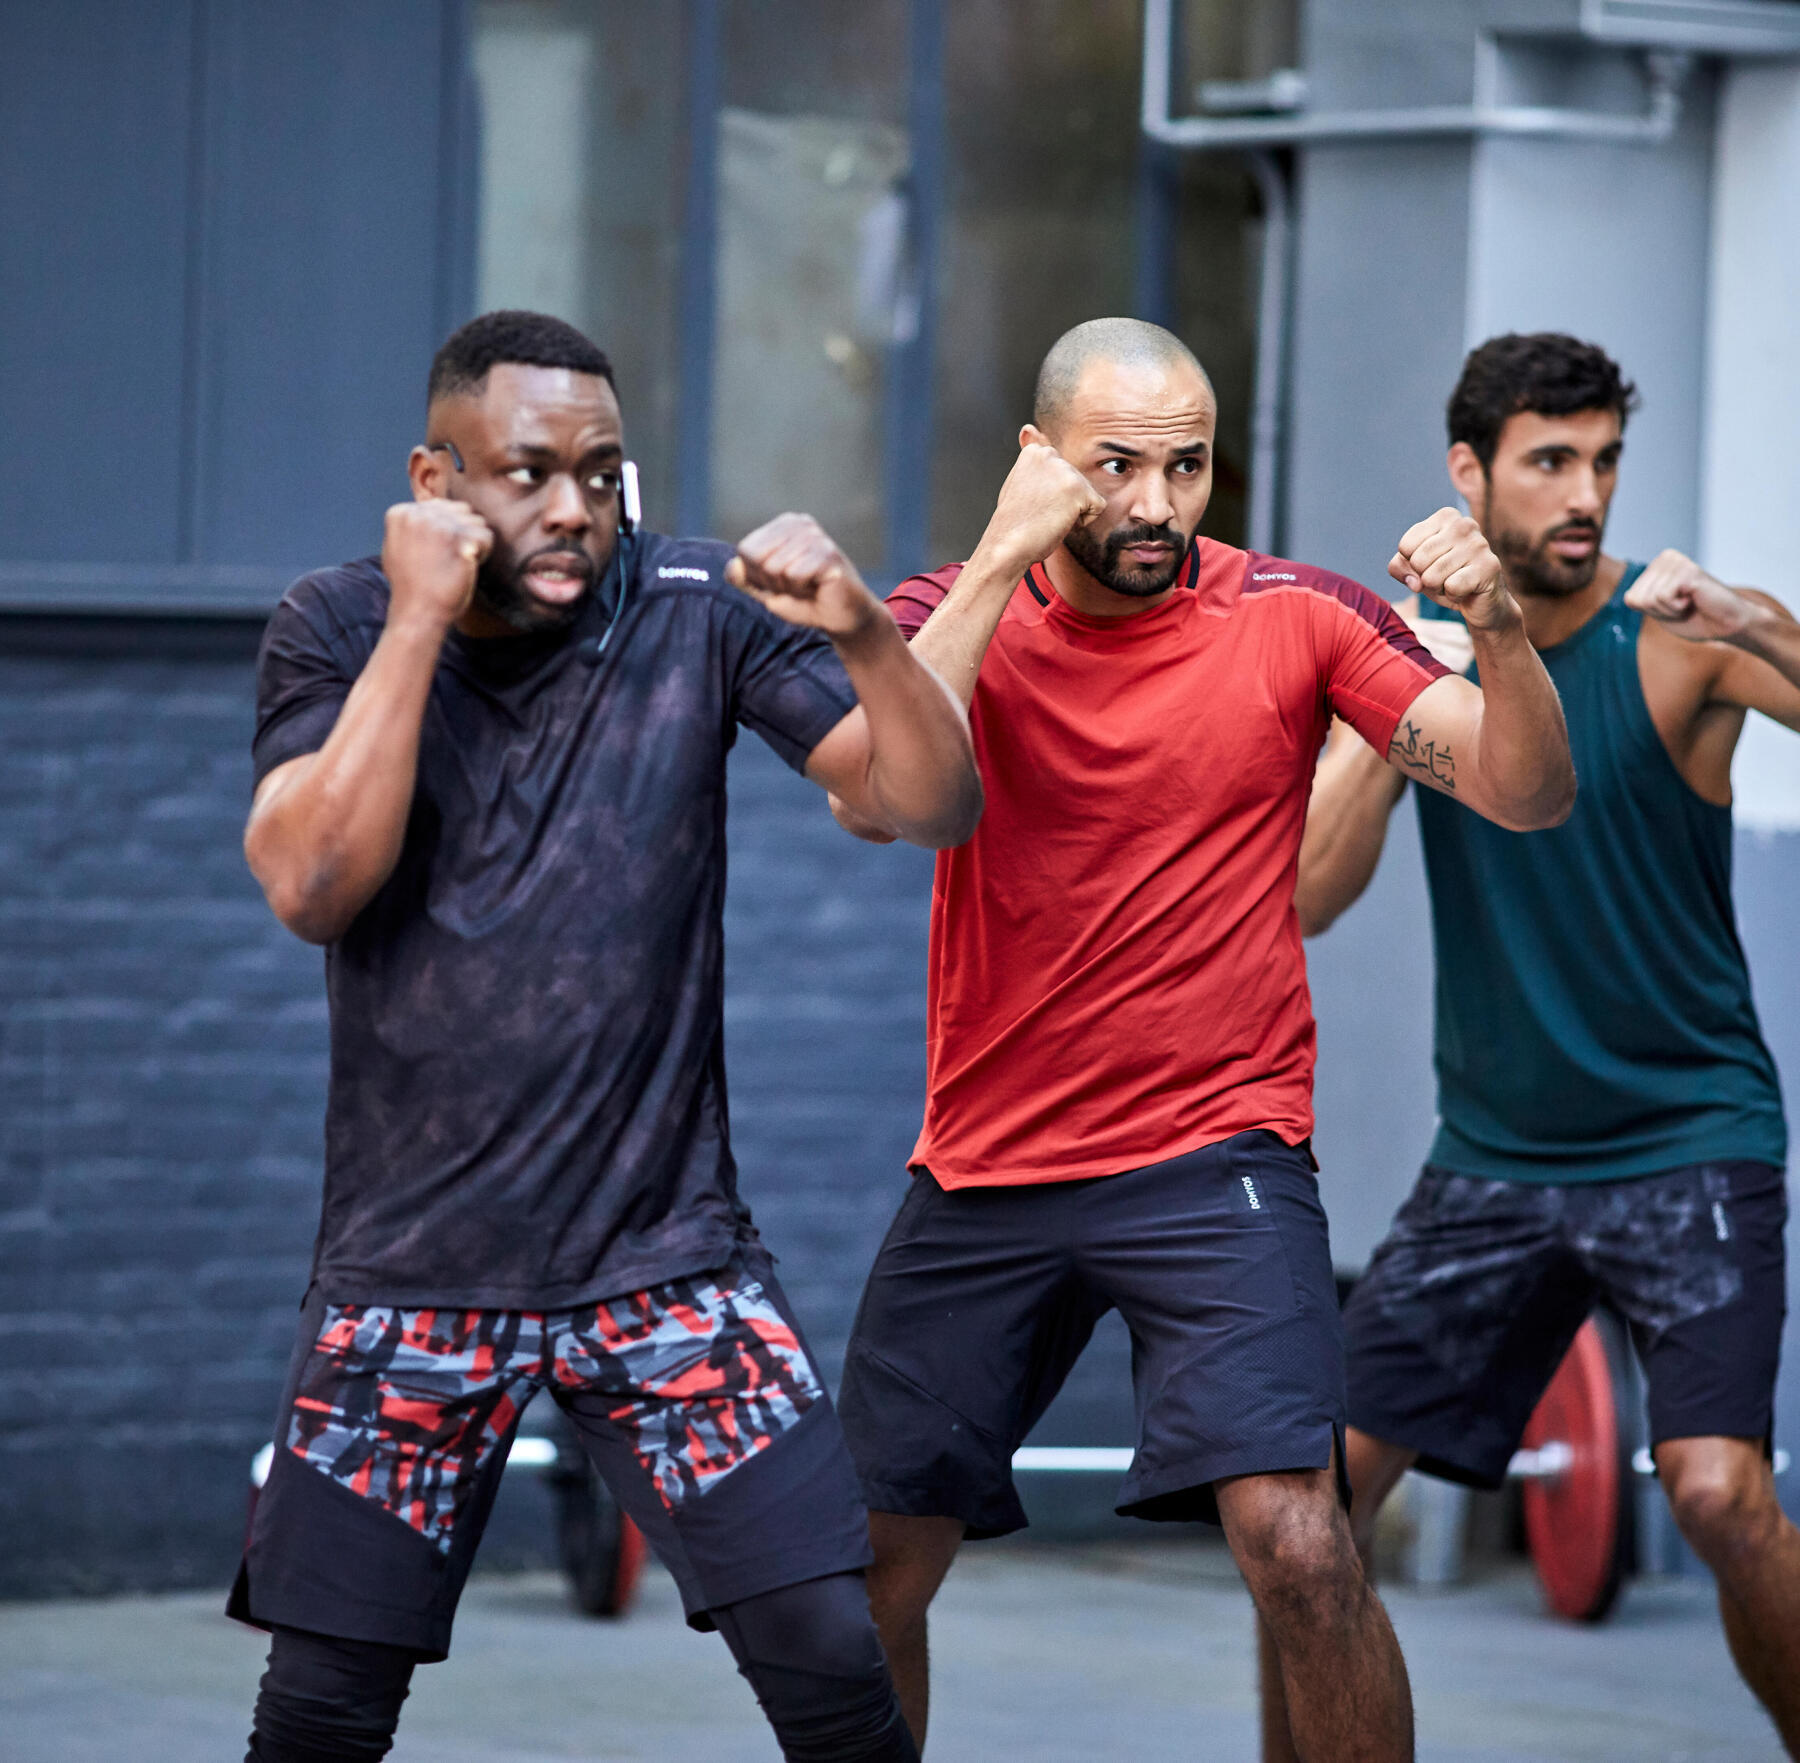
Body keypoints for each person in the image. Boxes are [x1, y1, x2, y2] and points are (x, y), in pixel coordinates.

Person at [230, 308, 982, 1763]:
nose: (573, 508)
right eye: (526, 473)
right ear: (433, 481)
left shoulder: (693, 605)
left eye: (600, 470)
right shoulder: (333, 623)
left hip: (665, 1268)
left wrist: (869, 633)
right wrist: (416, 621)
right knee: (324, 1709)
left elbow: (927, 807)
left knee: (833, 1653)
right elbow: (313, 884)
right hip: (414, 1281)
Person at [829, 315, 1577, 1759]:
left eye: (1190, 468)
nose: (1161, 508)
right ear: (1042, 463)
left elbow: (1523, 790)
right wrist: (999, 555)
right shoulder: (948, 606)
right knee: (866, 1570)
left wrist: (1494, 627)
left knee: (1301, 1544)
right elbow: (877, 798)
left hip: (1213, 1161)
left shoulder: (1296, 612)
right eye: (1118, 469)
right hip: (990, 1164)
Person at [1268, 331, 1800, 1760]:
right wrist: (1394, 703)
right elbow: (1308, 893)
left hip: (1690, 1136)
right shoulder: (1426, 669)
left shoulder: (1677, 636)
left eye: (1604, 461)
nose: (1586, 494)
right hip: (1494, 1160)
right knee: (1301, 1513)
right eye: (1550, 461)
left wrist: (1757, 620)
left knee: (1715, 1494)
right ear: (1470, 473)